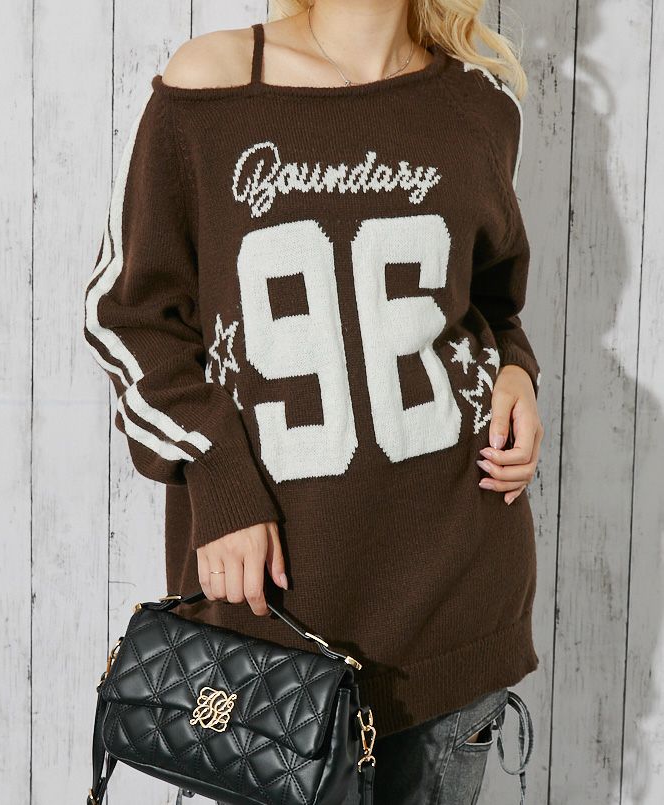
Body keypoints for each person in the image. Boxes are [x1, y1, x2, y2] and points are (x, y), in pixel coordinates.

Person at [83, 1, 544, 802]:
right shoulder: (211, 87)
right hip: (275, 624)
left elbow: (492, 303)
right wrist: (218, 478)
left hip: (459, 597)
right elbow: (128, 317)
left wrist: (516, 374)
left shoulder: (479, 104)